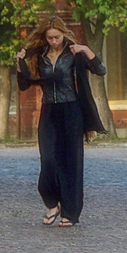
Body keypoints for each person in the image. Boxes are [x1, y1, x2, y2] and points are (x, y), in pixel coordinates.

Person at [16, 16, 107, 227]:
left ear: (63, 34)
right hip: (49, 111)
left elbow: (100, 70)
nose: (53, 41)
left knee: (71, 163)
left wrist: (85, 49)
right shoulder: (40, 55)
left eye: (56, 37)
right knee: (47, 160)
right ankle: (52, 203)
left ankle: (70, 212)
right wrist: (19, 63)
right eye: (49, 38)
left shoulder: (73, 53)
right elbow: (23, 86)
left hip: (71, 109)